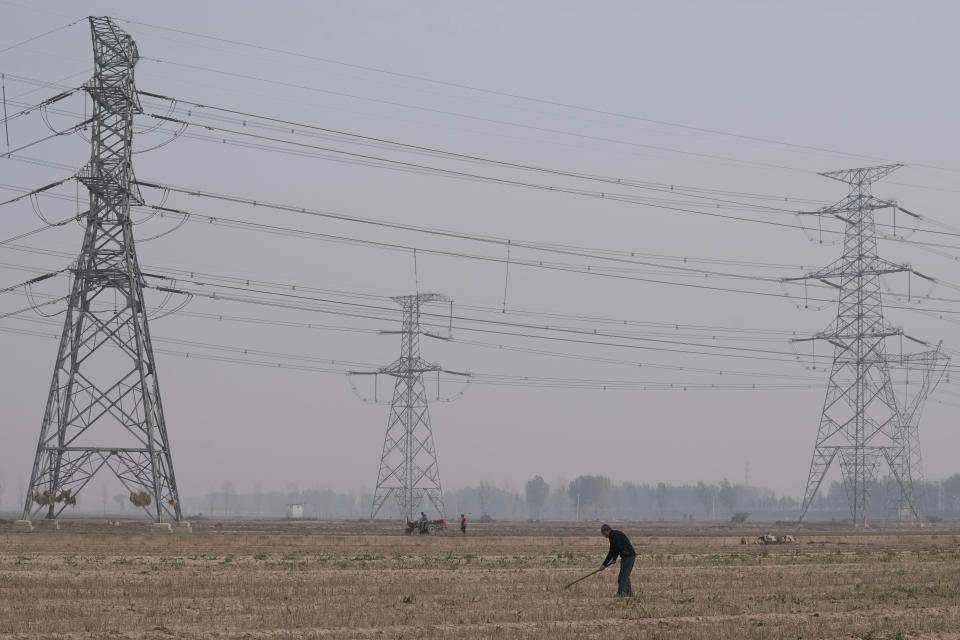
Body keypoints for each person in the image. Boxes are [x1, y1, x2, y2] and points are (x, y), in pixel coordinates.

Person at [600, 523, 636, 597]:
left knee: (622, 576)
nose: (604, 535)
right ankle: (629, 593)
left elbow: (617, 548)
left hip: (629, 556)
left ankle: (621, 593)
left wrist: (614, 558)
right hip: (626, 556)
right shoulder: (612, 536)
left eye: (603, 533)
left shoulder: (614, 535)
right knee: (625, 575)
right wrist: (604, 564)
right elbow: (612, 550)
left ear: (607, 531)